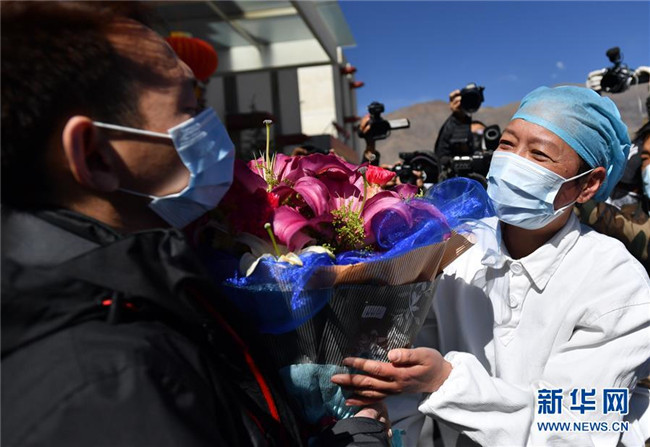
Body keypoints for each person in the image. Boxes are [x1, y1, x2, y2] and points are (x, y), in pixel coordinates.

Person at [1, 2, 389, 446]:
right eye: (189, 109)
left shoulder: (146, 284)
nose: (211, 130)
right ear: (94, 155)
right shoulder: (105, 385)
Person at [332, 86, 650, 446]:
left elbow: (576, 428)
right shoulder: (453, 251)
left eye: (539, 154)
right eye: (507, 144)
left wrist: (446, 383)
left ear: (589, 183)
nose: (514, 162)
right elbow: (404, 380)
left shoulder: (616, 283)